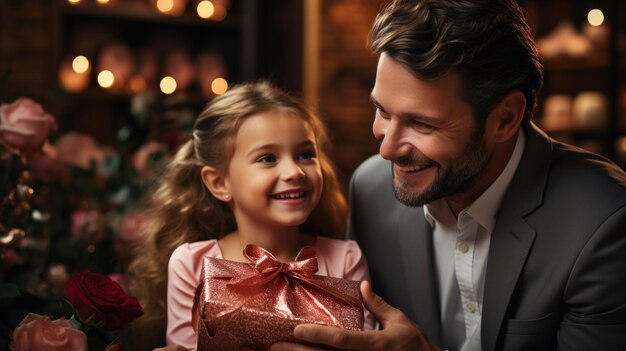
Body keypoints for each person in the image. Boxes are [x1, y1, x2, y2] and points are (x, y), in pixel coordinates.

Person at [271, 0, 626, 350]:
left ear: (504, 118)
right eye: (382, 110)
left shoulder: (605, 222)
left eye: (420, 123)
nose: (387, 150)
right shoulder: (370, 189)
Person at [127, 81, 377, 351]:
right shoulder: (193, 264)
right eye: (268, 158)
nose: (295, 172)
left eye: (305, 154)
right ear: (220, 183)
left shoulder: (346, 259)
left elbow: (368, 346)